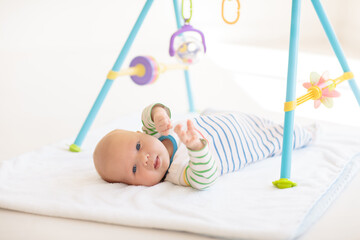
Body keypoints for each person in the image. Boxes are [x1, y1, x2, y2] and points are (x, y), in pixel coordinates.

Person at [93, 103, 314, 190]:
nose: (144, 158)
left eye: (138, 146)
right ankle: (307, 132)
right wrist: (196, 147)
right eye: (134, 169)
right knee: (283, 137)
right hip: (244, 141)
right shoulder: (177, 172)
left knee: (212, 112)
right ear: (133, 185)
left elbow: (150, 112)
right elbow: (205, 177)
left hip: (226, 120)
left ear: (141, 134)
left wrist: (159, 115)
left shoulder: (157, 133)